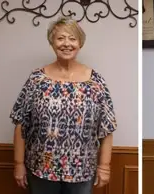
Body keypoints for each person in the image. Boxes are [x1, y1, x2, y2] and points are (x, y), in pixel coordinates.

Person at [9, 16, 117, 194]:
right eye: (60, 38)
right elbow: (21, 123)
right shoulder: (36, 79)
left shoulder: (96, 81)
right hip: (41, 168)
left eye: (72, 38)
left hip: (82, 171)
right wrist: (18, 164)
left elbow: (107, 127)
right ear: (52, 43)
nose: (66, 43)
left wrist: (104, 166)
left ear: (80, 43)